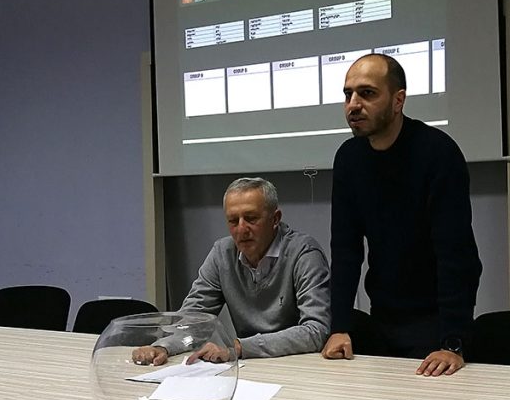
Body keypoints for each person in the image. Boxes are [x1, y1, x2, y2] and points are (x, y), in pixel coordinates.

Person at [321, 54, 482, 376]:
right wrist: (339, 327)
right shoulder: (349, 159)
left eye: (367, 93)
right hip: (381, 317)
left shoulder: (437, 153)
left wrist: (453, 342)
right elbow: (346, 250)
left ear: (398, 100)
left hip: (434, 324)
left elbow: (456, 254)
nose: (353, 105)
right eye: (348, 94)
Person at [133, 177, 331, 365]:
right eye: (233, 221)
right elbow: (193, 317)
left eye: (251, 218)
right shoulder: (222, 253)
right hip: (249, 365)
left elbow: (316, 330)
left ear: (275, 219)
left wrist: (238, 347)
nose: (241, 229)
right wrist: (163, 347)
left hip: (300, 365)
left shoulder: (304, 253)